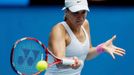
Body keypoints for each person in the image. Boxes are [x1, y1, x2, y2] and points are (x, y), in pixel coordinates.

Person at [44, 0, 126, 75]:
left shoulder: (85, 24)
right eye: (75, 12)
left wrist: (101, 48)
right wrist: (73, 62)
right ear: (66, 12)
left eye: (83, 12)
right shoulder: (59, 30)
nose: (80, 17)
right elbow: (59, 62)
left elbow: (87, 55)